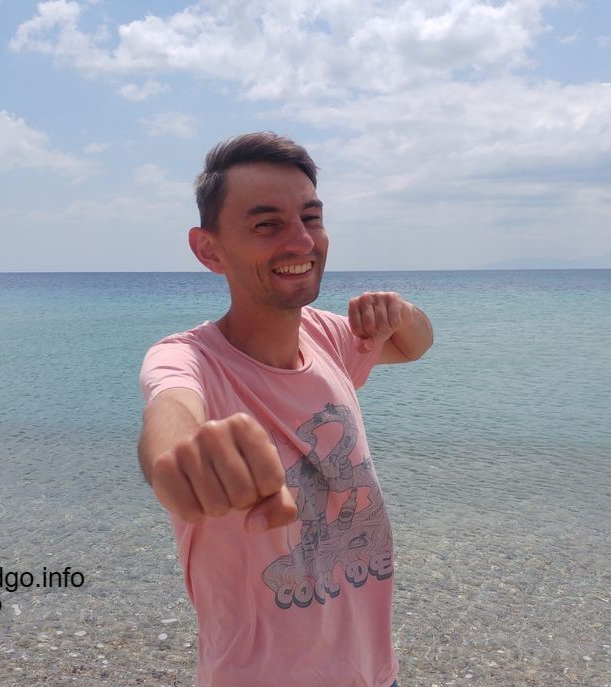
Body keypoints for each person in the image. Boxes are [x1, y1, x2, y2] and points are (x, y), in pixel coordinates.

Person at [138, 132, 433, 687]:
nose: (301, 241)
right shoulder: (189, 359)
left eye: (311, 218)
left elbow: (414, 345)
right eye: (266, 224)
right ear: (209, 250)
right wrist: (183, 461)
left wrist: (403, 310)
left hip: (374, 674)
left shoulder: (327, 337)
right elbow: (171, 412)